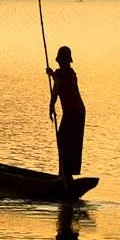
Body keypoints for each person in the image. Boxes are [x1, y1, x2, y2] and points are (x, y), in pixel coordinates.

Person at [47, 46, 86, 183]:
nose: (60, 62)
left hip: (74, 112)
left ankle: (65, 174)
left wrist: (51, 105)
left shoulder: (63, 74)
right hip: (77, 111)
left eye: (62, 60)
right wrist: (52, 75)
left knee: (64, 140)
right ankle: (65, 173)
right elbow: (59, 82)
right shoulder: (68, 73)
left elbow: (56, 89)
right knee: (66, 140)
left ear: (66, 60)